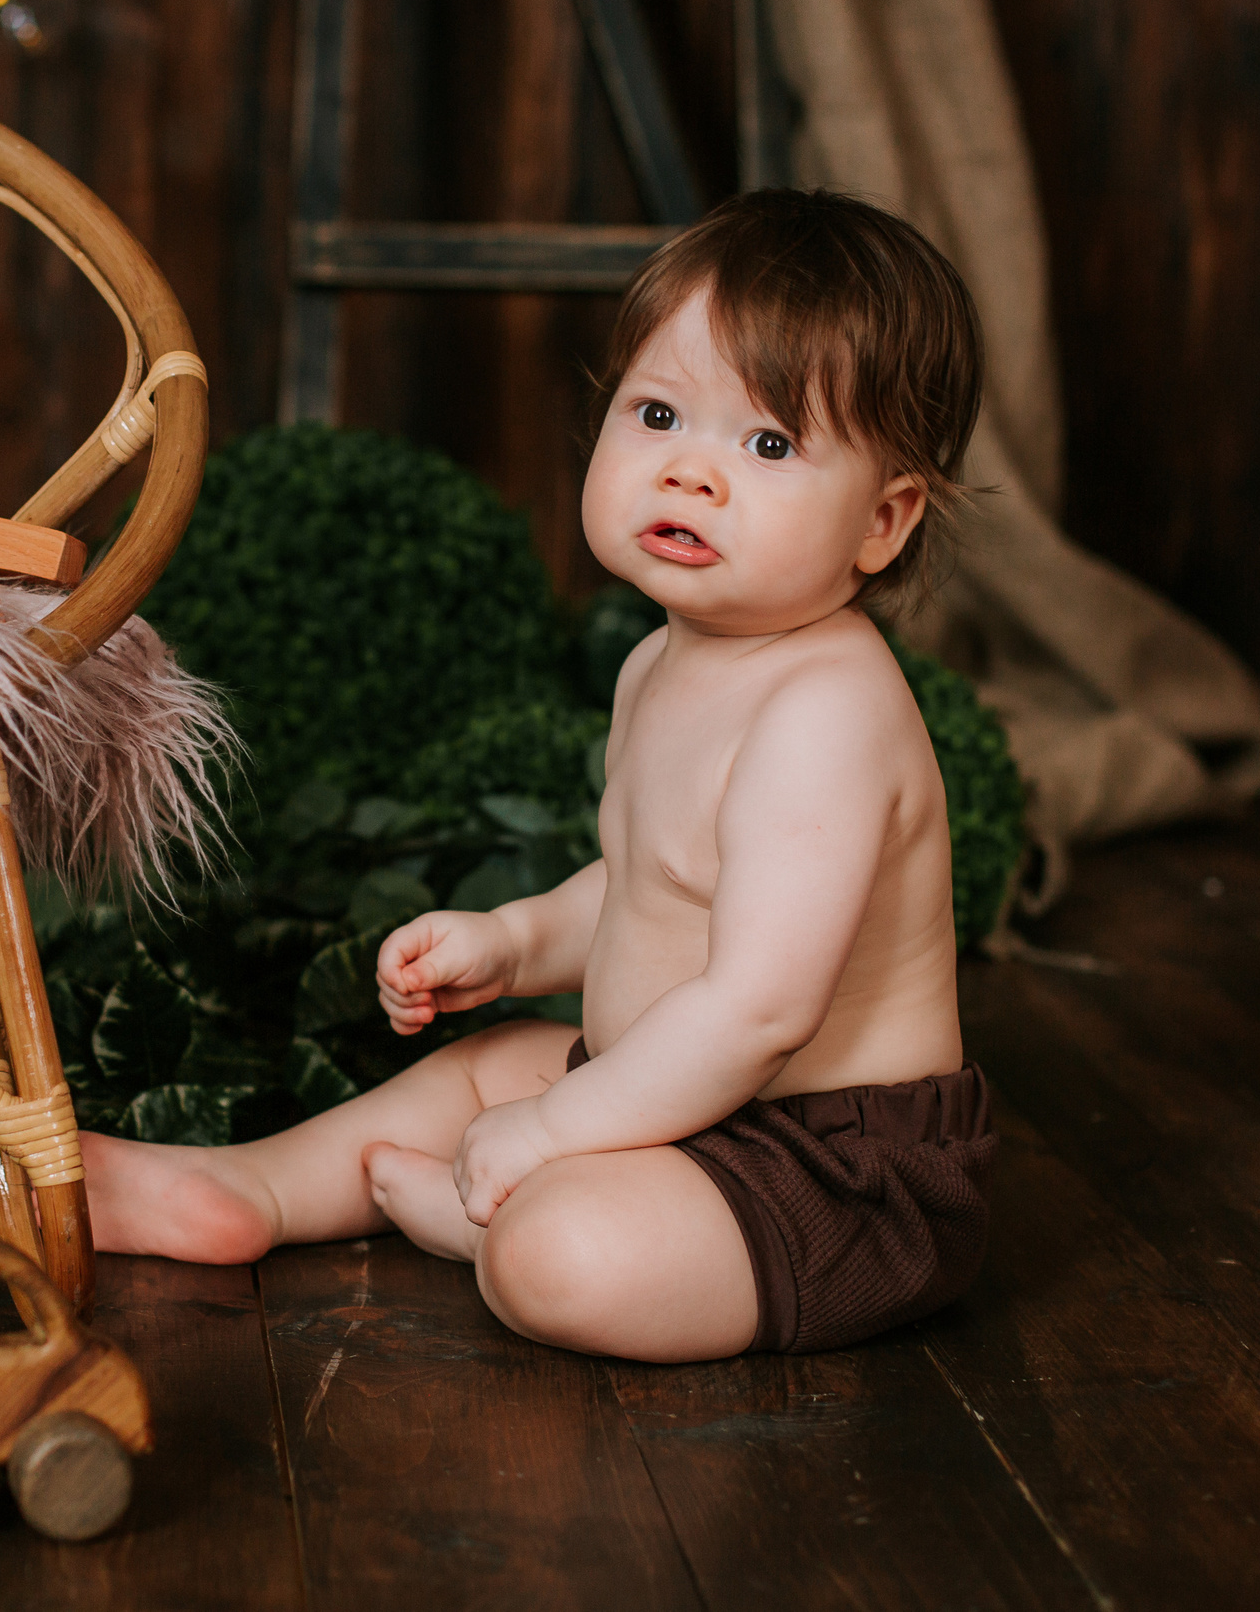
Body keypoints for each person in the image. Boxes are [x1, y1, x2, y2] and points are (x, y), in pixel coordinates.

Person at [81, 188, 999, 1361]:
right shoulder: (661, 664)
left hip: (830, 1172)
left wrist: (561, 1128)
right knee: (480, 1071)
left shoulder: (826, 715)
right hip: (674, 1103)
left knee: (565, 1252)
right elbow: (647, 884)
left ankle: (491, 1233)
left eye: (766, 444)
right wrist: (515, 941)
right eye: (658, 414)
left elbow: (760, 1009)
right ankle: (246, 1188)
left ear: (883, 521)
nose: (689, 475)